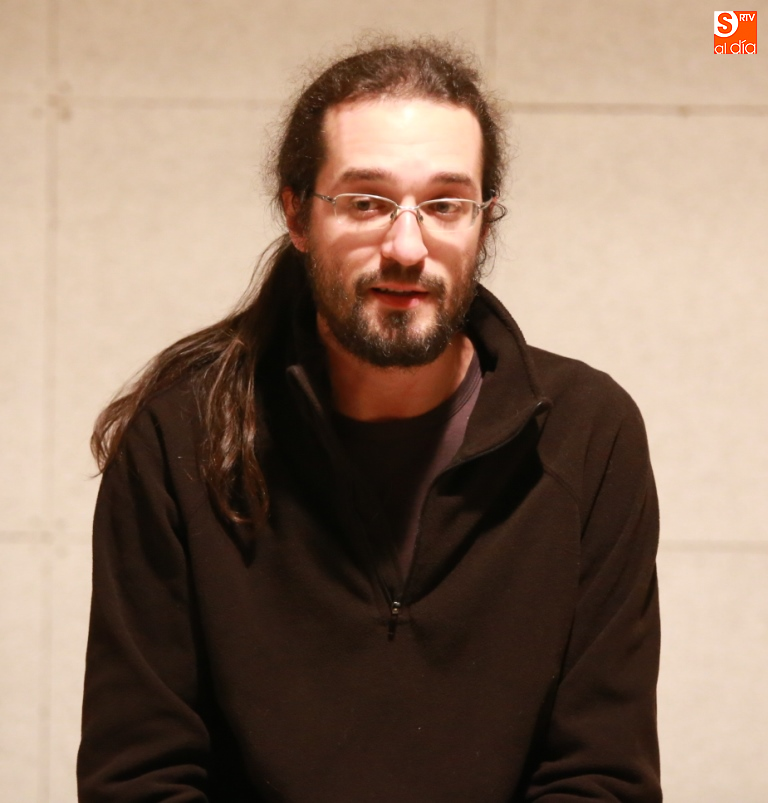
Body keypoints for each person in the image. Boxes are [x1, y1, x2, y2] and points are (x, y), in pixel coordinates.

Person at [77, 38, 661, 802]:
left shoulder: (586, 433)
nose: (406, 247)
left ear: (484, 225)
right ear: (297, 214)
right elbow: (138, 777)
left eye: (445, 205)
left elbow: (600, 776)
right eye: (365, 202)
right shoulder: (180, 438)